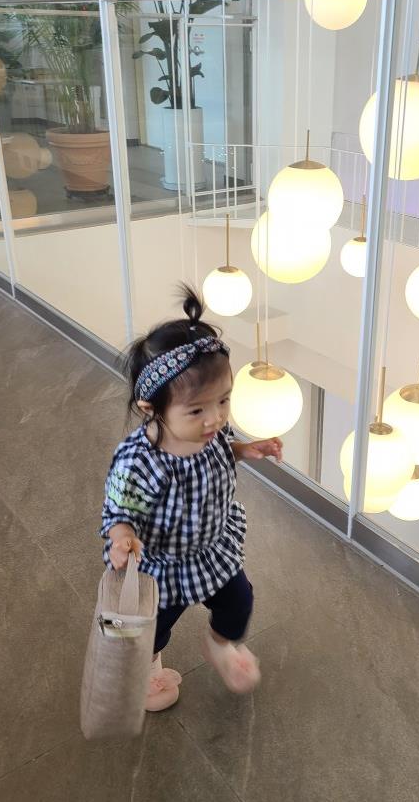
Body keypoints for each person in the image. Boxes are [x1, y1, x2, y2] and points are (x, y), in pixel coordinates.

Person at [100, 285, 283, 712]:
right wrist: (122, 537)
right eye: (197, 409)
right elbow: (120, 509)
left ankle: (219, 645)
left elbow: (223, 448)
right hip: (161, 563)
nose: (215, 417)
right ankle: (146, 669)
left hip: (211, 547)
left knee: (239, 602)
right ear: (151, 408)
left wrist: (245, 450)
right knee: (150, 628)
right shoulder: (138, 460)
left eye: (223, 400)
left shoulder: (212, 432)